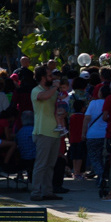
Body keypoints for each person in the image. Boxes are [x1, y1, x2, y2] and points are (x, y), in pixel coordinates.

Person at [30, 73, 65, 201]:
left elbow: (58, 106)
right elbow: (44, 97)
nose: (53, 78)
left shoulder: (54, 91)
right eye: (49, 76)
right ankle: (35, 192)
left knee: (50, 165)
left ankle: (47, 191)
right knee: (41, 164)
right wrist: (55, 87)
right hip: (42, 132)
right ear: (42, 77)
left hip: (55, 132)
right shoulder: (36, 90)